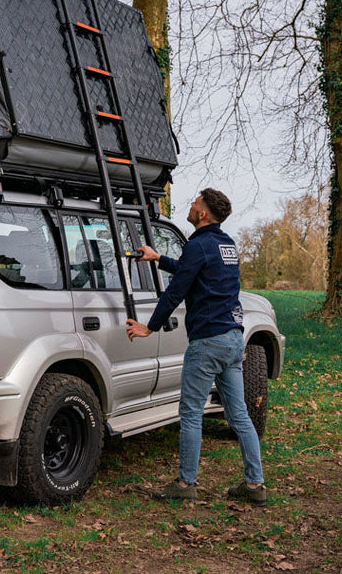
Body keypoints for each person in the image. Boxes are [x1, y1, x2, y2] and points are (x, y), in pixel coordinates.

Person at [125, 189, 266, 506]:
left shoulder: (198, 245)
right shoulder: (225, 244)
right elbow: (198, 273)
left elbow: (175, 292)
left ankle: (186, 483)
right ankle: (255, 485)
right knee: (239, 415)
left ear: (203, 213)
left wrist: (150, 326)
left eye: (195, 202)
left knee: (190, 414)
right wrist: (159, 258)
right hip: (232, 338)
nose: (190, 204)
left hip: (207, 343)